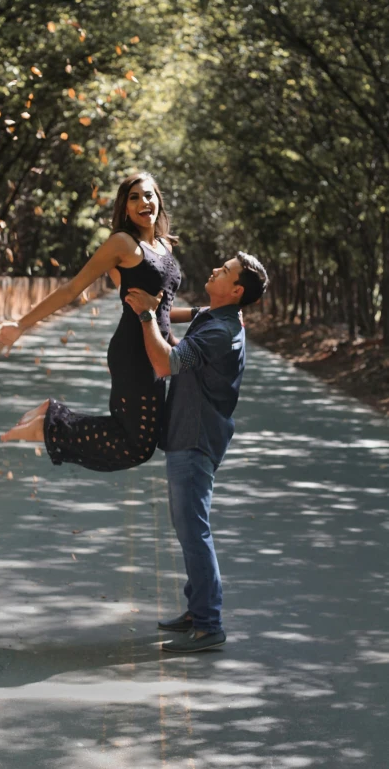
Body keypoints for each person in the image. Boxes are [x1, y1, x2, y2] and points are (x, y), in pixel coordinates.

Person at [0, 172, 181, 472]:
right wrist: (20, 325)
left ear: (158, 200)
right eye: (134, 198)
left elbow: (164, 308)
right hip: (133, 353)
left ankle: (51, 418)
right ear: (125, 208)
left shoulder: (165, 247)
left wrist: (203, 314)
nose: (144, 202)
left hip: (155, 352)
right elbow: (71, 289)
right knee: (137, 445)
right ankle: (50, 423)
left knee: (141, 443)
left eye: (149, 195)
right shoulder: (122, 244)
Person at [125, 252, 268, 652]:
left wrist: (145, 316)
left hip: (196, 438)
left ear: (237, 290)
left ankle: (208, 624)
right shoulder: (217, 315)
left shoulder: (223, 330)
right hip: (189, 432)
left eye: (223, 271)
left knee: (194, 530)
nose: (214, 269)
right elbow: (182, 333)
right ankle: (197, 609)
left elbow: (167, 362)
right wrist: (159, 308)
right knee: (187, 526)